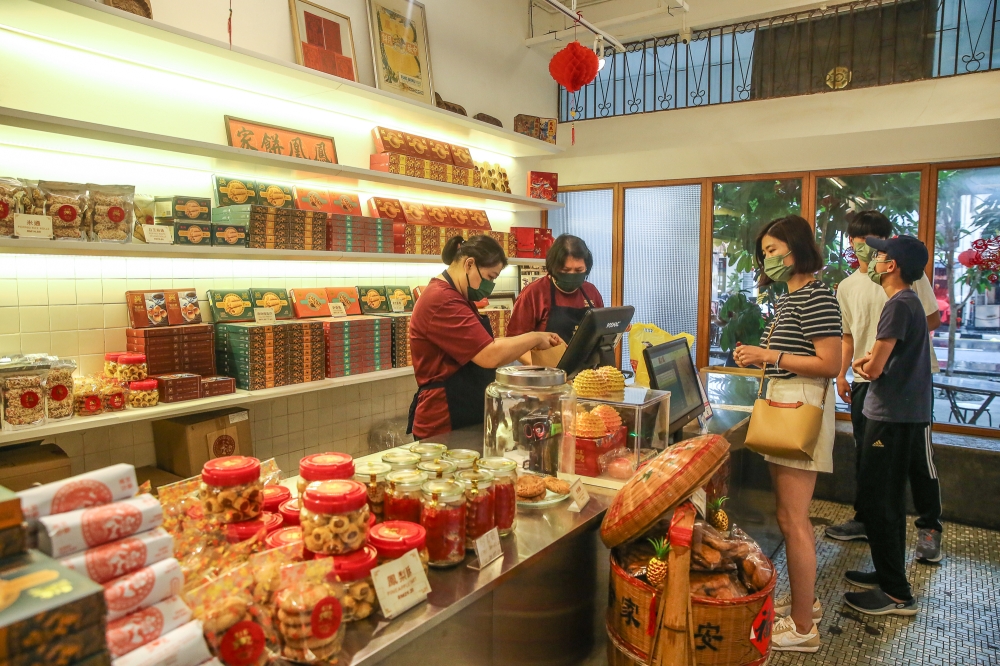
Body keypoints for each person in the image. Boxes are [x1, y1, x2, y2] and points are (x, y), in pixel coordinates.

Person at [734, 215, 842, 653]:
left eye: (774, 250)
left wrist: (768, 352)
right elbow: (795, 354)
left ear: (796, 250)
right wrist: (761, 357)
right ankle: (806, 603)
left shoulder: (816, 296)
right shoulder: (792, 296)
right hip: (787, 403)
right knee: (788, 516)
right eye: (764, 252)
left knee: (793, 521)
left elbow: (830, 363)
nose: (767, 258)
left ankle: (802, 629)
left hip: (800, 411)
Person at [826, 210, 944, 564]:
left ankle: (929, 527)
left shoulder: (906, 280)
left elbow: (932, 317)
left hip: (906, 385)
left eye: (873, 240)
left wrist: (893, 351)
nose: (863, 246)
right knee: (868, 455)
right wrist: (842, 374)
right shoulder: (846, 286)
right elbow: (847, 335)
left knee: (918, 461)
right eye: (858, 239)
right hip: (866, 382)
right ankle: (866, 519)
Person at [844, 235, 931, 616]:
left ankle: (896, 593)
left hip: (890, 417)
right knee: (889, 499)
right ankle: (887, 574)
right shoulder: (908, 303)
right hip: (900, 414)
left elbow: (874, 366)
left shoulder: (898, 304)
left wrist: (860, 364)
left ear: (891, 265)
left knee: (881, 501)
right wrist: (867, 360)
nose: (874, 258)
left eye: (879, 254)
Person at [407, 235, 561, 439]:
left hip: (464, 410)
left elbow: (487, 344)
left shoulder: (458, 296)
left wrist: (535, 338)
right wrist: (533, 337)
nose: (490, 285)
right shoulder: (442, 300)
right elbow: (488, 355)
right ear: (469, 264)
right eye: (490, 277)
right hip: (445, 419)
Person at [507, 234, 605, 350]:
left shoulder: (591, 291)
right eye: (565, 270)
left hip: (588, 366)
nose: (572, 275)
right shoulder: (534, 293)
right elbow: (514, 343)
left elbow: (601, 332)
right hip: (547, 366)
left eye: (579, 270)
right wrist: (539, 366)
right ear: (553, 267)